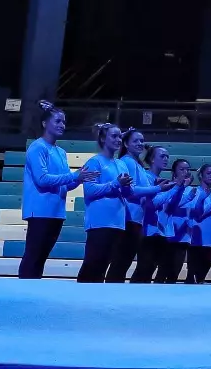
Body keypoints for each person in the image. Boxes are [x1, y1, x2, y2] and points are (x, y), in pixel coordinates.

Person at [19, 102, 97, 280]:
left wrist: (79, 178)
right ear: (45, 123)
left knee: (41, 257)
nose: (62, 125)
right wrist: (73, 176)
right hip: (40, 210)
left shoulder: (60, 151)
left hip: (56, 211)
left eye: (64, 122)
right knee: (33, 256)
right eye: (58, 121)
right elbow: (42, 179)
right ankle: (22, 290)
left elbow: (66, 185)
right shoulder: (37, 147)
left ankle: (33, 288)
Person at [76, 123, 131, 283]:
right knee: (93, 265)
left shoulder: (121, 163)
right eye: (114, 136)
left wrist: (127, 187)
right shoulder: (94, 162)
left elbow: (125, 192)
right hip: (100, 222)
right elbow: (90, 191)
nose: (119, 139)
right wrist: (116, 184)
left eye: (120, 136)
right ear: (102, 138)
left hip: (117, 222)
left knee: (103, 267)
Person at [104, 130, 159, 282]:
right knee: (121, 261)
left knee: (124, 261)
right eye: (136, 141)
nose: (140, 144)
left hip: (136, 218)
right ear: (126, 144)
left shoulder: (137, 164)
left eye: (142, 141)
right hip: (129, 217)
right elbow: (131, 190)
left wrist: (156, 185)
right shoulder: (127, 161)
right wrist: (158, 188)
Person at [126, 145, 177, 283]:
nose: (166, 159)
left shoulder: (160, 180)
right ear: (152, 159)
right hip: (145, 230)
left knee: (149, 269)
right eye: (162, 156)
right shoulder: (146, 177)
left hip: (157, 231)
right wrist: (170, 190)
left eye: (167, 156)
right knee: (144, 269)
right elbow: (151, 204)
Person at [182, 164, 211, 284]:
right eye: (209, 173)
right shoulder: (195, 192)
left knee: (202, 277)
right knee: (192, 277)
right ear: (201, 175)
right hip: (197, 239)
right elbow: (199, 214)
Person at [153, 158, 193, 283]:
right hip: (167, 235)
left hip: (183, 237)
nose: (185, 172)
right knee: (162, 271)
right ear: (174, 172)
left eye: (187, 169)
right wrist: (182, 190)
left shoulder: (192, 190)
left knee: (174, 273)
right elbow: (170, 206)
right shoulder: (168, 186)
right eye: (182, 169)